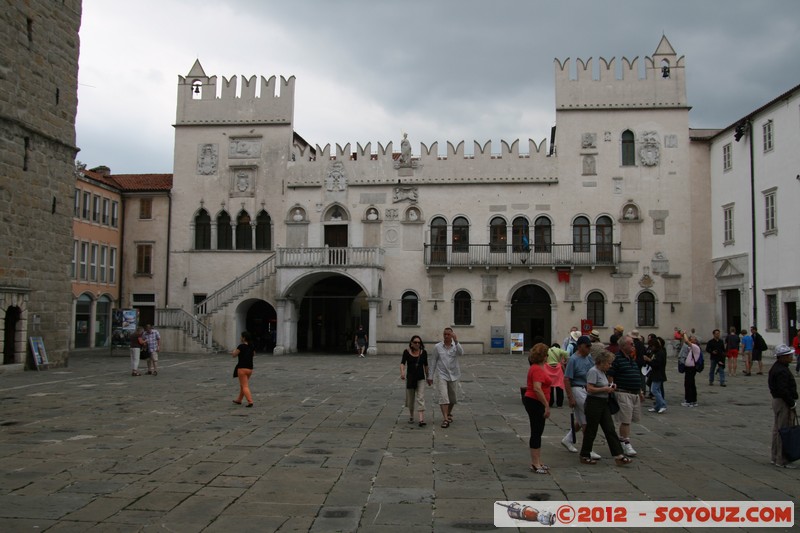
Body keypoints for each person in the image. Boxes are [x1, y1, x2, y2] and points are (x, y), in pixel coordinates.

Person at [579, 351, 633, 467]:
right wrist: (605, 389)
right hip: (594, 403)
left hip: (603, 403)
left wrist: (610, 387)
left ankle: (619, 455)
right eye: (608, 363)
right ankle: (585, 454)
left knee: (610, 429)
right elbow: (590, 388)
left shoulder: (602, 372)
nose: (610, 365)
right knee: (591, 430)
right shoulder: (593, 371)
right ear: (602, 362)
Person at [561, 336, 601, 460]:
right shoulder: (573, 360)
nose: (589, 348)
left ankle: (567, 439)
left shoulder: (588, 358)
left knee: (580, 418)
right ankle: (588, 449)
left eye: (590, 346)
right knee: (586, 419)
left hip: (587, 389)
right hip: (577, 389)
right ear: (580, 346)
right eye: (587, 346)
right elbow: (567, 379)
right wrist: (570, 397)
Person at [607, 335, 643, 457]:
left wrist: (639, 391)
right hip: (623, 392)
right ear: (623, 346)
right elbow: (610, 374)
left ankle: (623, 440)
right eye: (631, 344)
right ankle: (625, 442)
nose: (633, 346)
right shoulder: (617, 358)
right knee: (625, 420)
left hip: (634, 393)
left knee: (630, 420)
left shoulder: (630, 358)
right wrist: (612, 387)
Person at [522, 343, 552, 474]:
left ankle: (538, 461)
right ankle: (535, 463)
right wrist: (546, 405)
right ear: (544, 356)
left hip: (535, 401)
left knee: (538, 431)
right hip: (535, 401)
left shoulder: (539, 367)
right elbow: (537, 388)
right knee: (536, 431)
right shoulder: (537, 369)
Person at [768, 344, 798, 468]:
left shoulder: (777, 368)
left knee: (777, 430)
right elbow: (783, 390)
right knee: (784, 430)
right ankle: (782, 459)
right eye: (788, 355)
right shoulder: (781, 371)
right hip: (782, 401)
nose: (791, 357)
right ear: (782, 357)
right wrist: (792, 403)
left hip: (777, 400)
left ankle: (775, 456)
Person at [427, 327, 463, 428]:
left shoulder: (456, 346)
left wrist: (456, 341)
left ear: (452, 335)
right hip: (441, 374)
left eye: (448, 334)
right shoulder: (437, 347)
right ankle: (445, 419)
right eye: (445, 334)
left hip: (454, 375)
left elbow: (461, 353)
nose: (446, 336)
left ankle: (448, 413)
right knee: (443, 397)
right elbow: (433, 361)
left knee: (452, 399)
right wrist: (430, 376)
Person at [400, 335, 429, 427]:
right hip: (411, 378)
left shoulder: (423, 352)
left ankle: (421, 419)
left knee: (420, 397)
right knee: (410, 399)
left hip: (420, 378)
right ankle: (412, 416)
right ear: (411, 343)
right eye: (415, 342)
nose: (417, 344)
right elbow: (402, 363)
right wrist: (402, 372)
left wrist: (428, 376)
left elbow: (426, 365)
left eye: (419, 342)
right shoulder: (406, 352)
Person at [644, 336, 667, 413]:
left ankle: (663, 405)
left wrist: (648, 360)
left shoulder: (660, 353)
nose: (651, 348)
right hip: (655, 374)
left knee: (654, 390)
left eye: (652, 346)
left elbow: (657, 364)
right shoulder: (656, 352)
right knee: (657, 390)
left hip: (658, 374)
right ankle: (657, 406)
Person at [231, 331, 254, 407]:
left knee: (244, 386)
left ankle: (250, 401)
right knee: (243, 385)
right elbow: (253, 354)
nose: (240, 338)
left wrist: (233, 351)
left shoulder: (241, 346)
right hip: (250, 368)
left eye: (241, 336)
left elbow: (234, 355)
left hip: (242, 368)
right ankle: (239, 400)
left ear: (244, 338)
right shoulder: (251, 346)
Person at [546, 343, 569, 407]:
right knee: (559, 386)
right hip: (557, 369)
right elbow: (567, 353)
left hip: (548, 369)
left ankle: (550, 402)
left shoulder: (547, 350)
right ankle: (559, 404)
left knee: (550, 386)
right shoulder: (559, 350)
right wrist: (565, 359)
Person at [681, 333, 701, 407]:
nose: (690, 339)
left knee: (689, 384)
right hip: (689, 368)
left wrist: (685, 333)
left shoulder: (695, 347)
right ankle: (692, 400)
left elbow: (686, 341)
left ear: (695, 340)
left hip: (691, 368)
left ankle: (689, 401)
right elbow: (685, 343)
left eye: (692, 338)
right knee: (690, 384)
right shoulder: (691, 348)